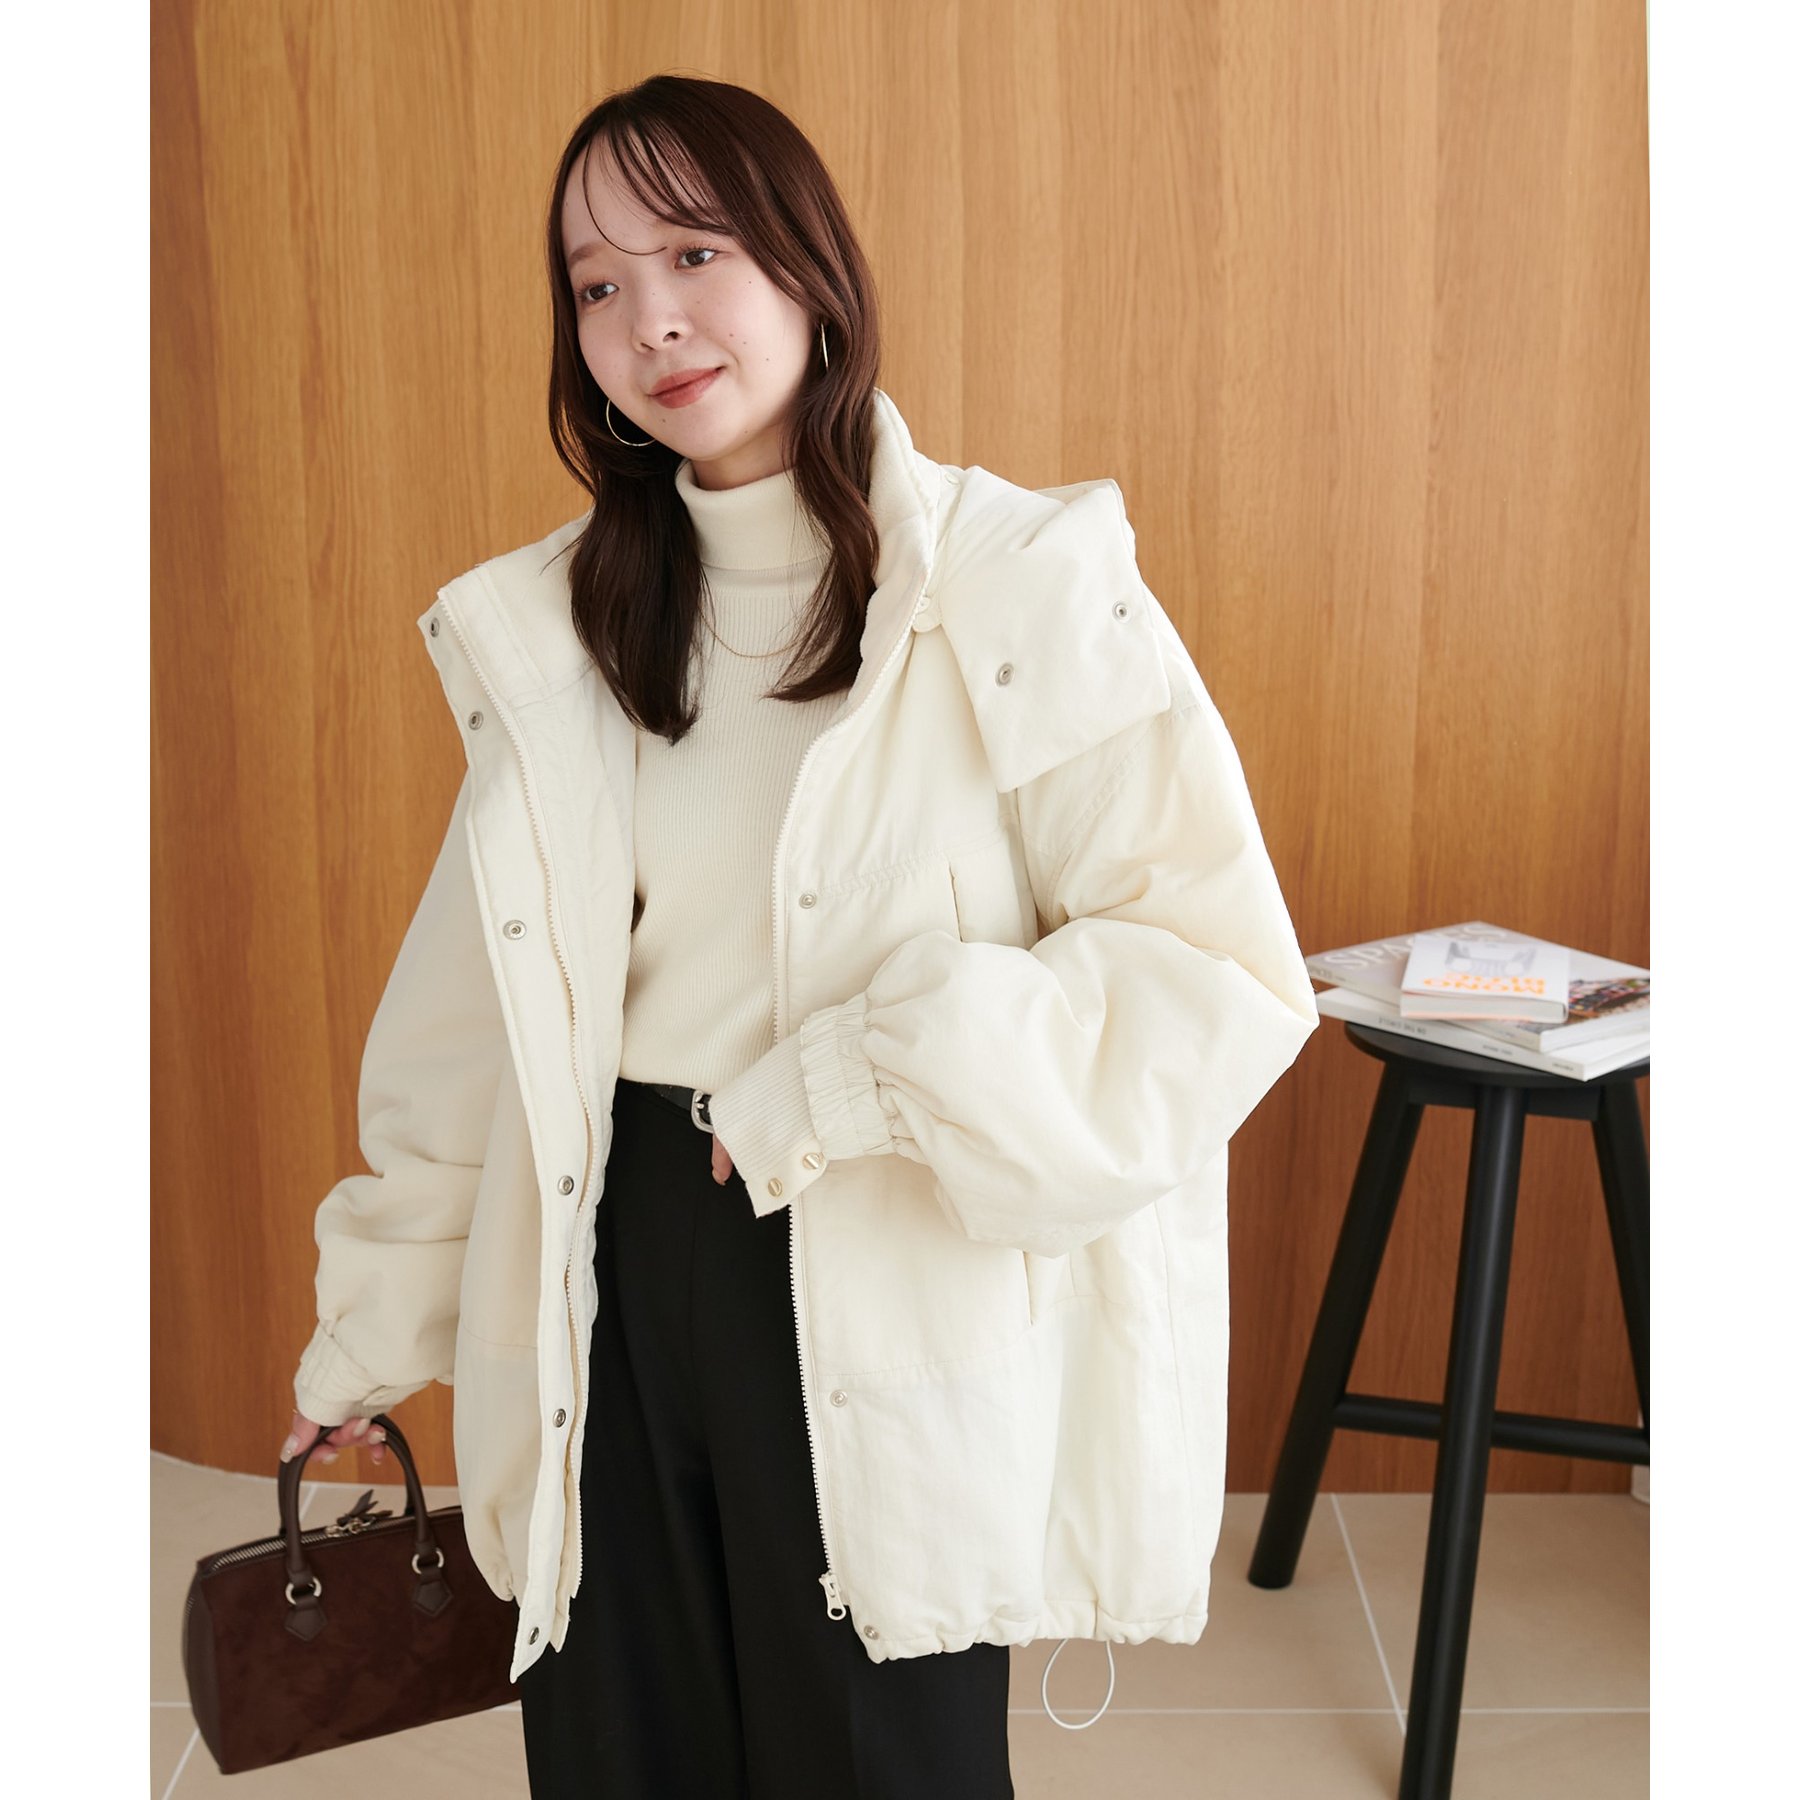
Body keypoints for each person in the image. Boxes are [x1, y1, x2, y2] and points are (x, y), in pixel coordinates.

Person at [282, 73, 1319, 1800]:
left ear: (809, 266)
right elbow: (476, 1031)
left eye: (694, 252)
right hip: (607, 1260)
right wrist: (369, 1336)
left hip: (873, 1243)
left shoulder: (1017, 581)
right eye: (597, 284)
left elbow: (1210, 967)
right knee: (620, 1744)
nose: (649, 320)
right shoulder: (562, 632)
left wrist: (853, 1083)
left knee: (874, 1762)